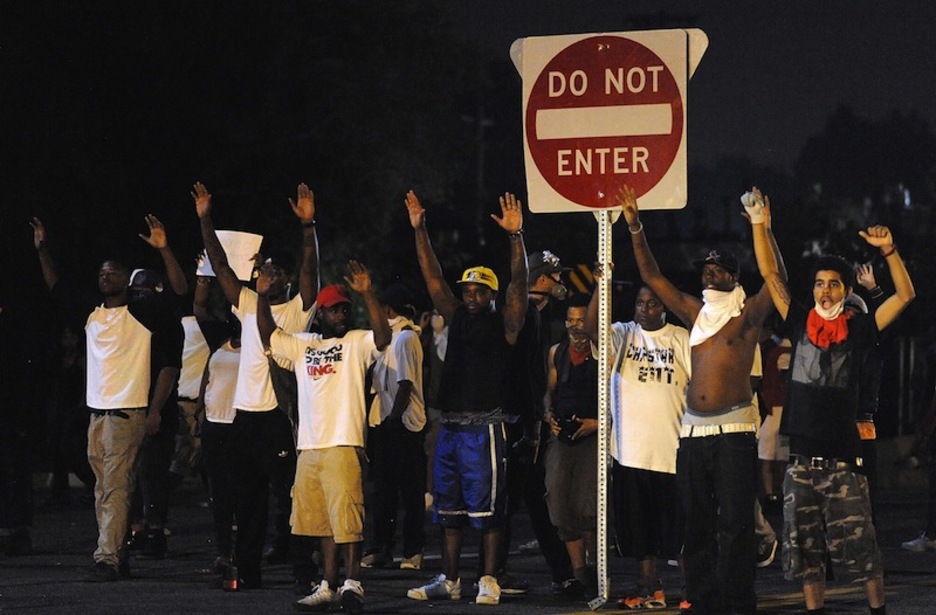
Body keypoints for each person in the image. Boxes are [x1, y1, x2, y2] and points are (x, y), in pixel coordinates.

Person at [618, 184, 782, 614]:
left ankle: (736, 600)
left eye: (717, 269)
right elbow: (652, 276)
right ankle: (705, 599)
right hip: (692, 432)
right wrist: (636, 226)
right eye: (705, 269)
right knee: (696, 523)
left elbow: (776, 280)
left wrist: (762, 227)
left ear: (733, 277)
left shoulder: (746, 315)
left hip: (733, 431)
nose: (708, 273)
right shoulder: (695, 311)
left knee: (733, 524)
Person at [749, 192, 915, 615]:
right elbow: (770, 274)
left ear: (844, 290)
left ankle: (878, 609)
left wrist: (890, 251)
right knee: (805, 552)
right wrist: (759, 224)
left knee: (861, 547)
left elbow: (905, 296)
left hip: (843, 461)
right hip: (801, 462)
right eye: (820, 283)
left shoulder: (859, 329)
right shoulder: (799, 321)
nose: (825, 290)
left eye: (834, 284)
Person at [31, 215, 187, 582]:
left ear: (126, 278)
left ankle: (108, 559)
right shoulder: (93, 315)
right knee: (104, 489)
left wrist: (164, 249)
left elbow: (179, 291)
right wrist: (42, 251)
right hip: (97, 415)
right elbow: (56, 289)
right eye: (102, 272)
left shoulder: (141, 313)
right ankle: (117, 549)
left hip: (127, 411)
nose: (106, 275)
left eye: (114, 271)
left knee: (115, 485)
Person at [404, 190, 528, 606]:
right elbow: (433, 277)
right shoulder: (454, 315)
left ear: (491, 295)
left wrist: (516, 238)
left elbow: (519, 285)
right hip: (451, 427)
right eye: (468, 290)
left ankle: (489, 579)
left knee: (489, 511)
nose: (471, 296)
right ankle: (451, 579)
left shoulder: (506, 323)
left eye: (479, 291)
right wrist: (420, 230)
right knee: (449, 512)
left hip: (485, 428)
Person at [194, 180, 319, 589]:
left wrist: (307, 226)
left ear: (284, 279)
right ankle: (248, 572)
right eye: (264, 269)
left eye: (275, 271)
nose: (267, 275)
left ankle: (304, 572)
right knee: (246, 502)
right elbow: (221, 265)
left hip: (278, 419)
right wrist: (205, 218)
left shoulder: (299, 310)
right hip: (244, 417)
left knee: (291, 499)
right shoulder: (246, 303)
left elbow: (311, 272)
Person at [257, 265, 391, 614]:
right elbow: (269, 336)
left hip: (343, 442)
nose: (341, 313)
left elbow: (382, 338)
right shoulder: (305, 345)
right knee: (322, 522)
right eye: (334, 309)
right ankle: (329, 583)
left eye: (345, 308)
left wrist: (366, 293)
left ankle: (353, 582)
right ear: (321, 314)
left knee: (348, 519)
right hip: (310, 446)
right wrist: (259, 295)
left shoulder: (356, 342)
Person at [585, 281, 690, 609]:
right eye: (641, 303)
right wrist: (601, 287)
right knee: (639, 531)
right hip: (630, 452)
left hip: (671, 452)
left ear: (665, 307)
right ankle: (649, 588)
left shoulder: (680, 338)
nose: (646, 310)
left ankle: (692, 590)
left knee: (679, 532)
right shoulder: (623, 333)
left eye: (653, 304)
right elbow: (591, 329)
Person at [490, 249, 573, 596]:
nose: (560, 283)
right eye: (555, 276)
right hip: (515, 418)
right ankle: (496, 573)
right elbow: (524, 374)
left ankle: (558, 571)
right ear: (540, 279)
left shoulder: (537, 313)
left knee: (528, 497)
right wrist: (532, 420)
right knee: (512, 499)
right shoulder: (524, 313)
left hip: (521, 417)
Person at [361, 283, 427, 571]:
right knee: (385, 493)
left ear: (388, 309)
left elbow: (405, 383)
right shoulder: (390, 339)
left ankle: (412, 551)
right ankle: (382, 549)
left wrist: (393, 420)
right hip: (386, 423)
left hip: (402, 425)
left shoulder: (404, 338)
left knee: (408, 493)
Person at [543, 294, 601, 600]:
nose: (576, 326)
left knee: (586, 505)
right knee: (558, 501)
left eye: (582, 320)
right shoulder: (557, 352)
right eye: (571, 320)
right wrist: (549, 416)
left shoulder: (602, 352)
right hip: (563, 437)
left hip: (593, 435)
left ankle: (594, 570)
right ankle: (579, 573)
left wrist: (598, 423)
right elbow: (549, 393)